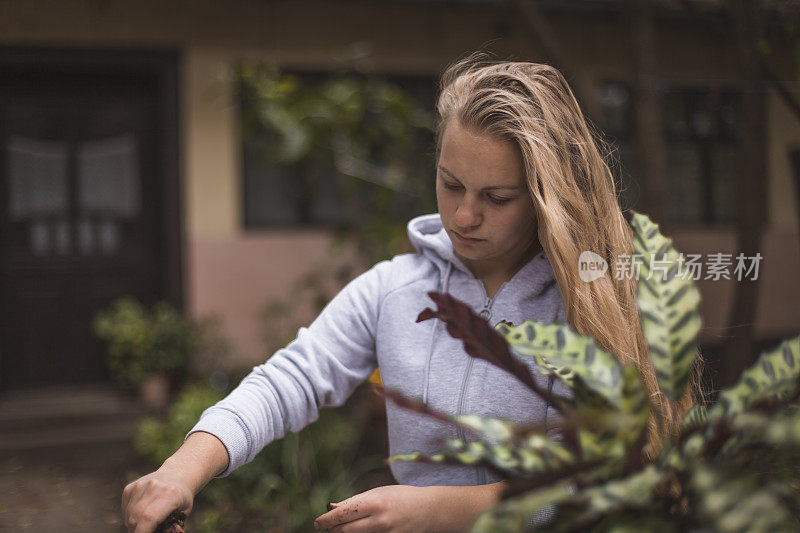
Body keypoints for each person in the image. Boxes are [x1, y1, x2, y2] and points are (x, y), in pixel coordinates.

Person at [122, 55, 698, 533]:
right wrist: (183, 466)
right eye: (450, 185)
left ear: (551, 197)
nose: (464, 215)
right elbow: (290, 378)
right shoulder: (393, 290)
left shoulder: (599, 299)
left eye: (496, 198)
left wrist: (447, 509)